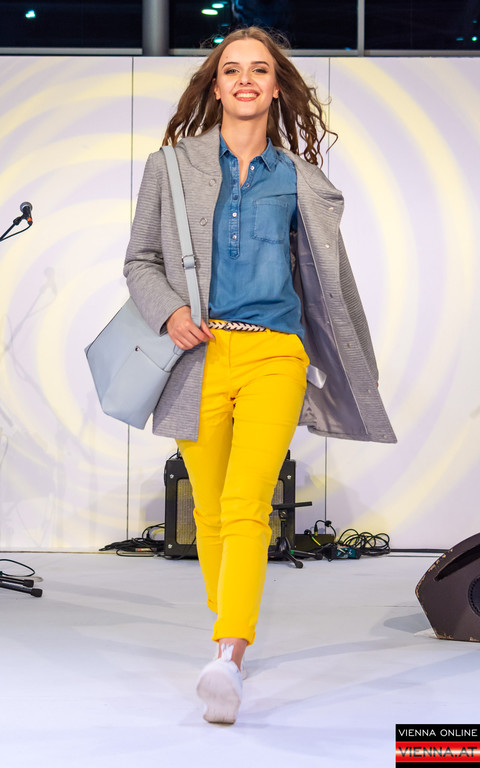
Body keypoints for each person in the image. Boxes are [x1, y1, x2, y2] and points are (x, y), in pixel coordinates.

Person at [124, 26, 396, 725]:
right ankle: (230, 626)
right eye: (232, 70)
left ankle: (228, 656)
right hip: (196, 356)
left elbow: (329, 282)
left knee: (247, 503)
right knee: (210, 511)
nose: (245, 79)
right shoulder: (171, 167)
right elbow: (140, 261)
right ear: (216, 87)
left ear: (276, 88)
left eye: (260, 70)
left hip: (276, 353)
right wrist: (170, 312)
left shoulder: (300, 178)